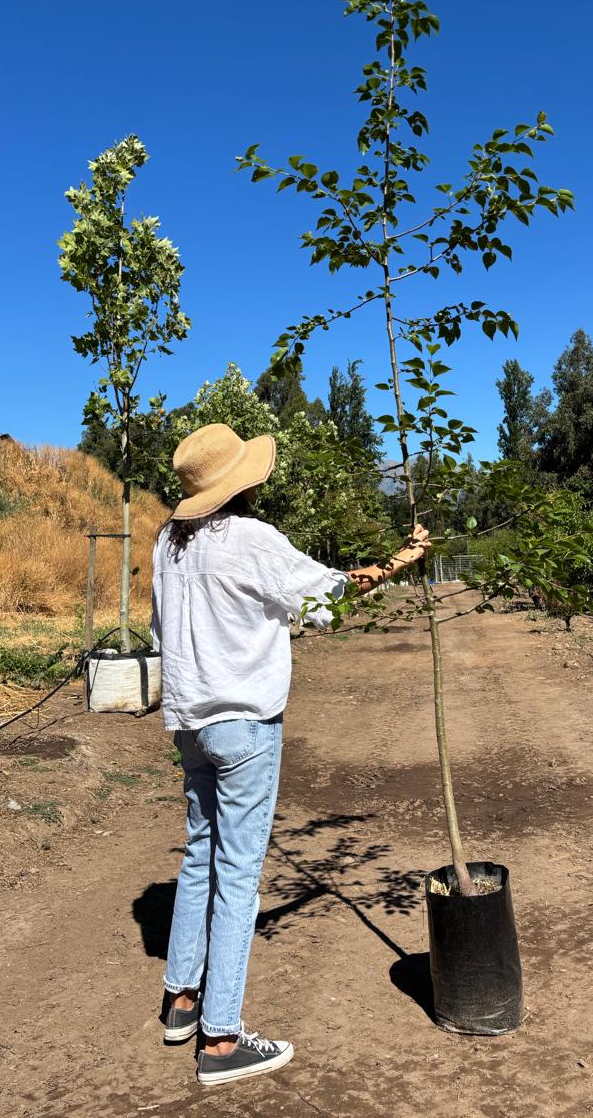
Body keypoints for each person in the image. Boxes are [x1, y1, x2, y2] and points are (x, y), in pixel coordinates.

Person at [151, 422, 431, 1087]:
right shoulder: (252, 539)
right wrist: (401, 559)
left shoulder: (167, 541)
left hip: (189, 721)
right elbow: (333, 593)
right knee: (239, 873)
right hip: (245, 725)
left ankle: (181, 1001)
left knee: (201, 857)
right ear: (242, 482)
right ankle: (221, 1040)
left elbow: (164, 626)